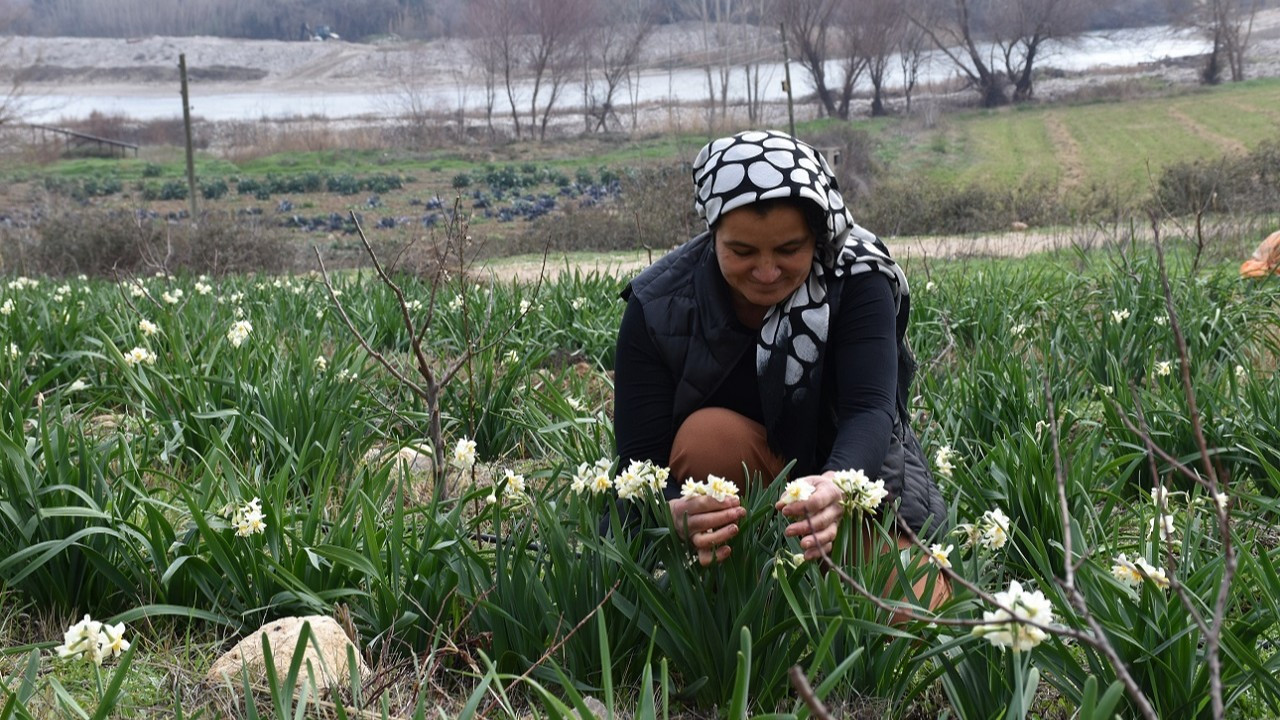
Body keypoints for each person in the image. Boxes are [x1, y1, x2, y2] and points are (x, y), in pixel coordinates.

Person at [612, 130, 947, 602]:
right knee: (707, 435)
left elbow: (869, 411)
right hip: (737, 495)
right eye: (742, 252)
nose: (766, 271)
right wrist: (670, 514)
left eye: (789, 250)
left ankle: (810, 580)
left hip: (844, 485)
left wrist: (837, 488)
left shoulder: (858, 277)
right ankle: (739, 591)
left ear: (817, 235)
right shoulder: (659, 305)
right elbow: (637, 468)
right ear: (712, 234)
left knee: (917, 606)